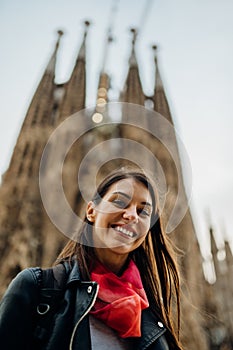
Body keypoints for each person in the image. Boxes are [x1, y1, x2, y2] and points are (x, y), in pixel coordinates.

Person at [0, 168, 183, 349]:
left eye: (143, 211)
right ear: (91, 211)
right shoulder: (36, 289)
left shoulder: (152, 317)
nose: (132, 215)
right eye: (119, 201)